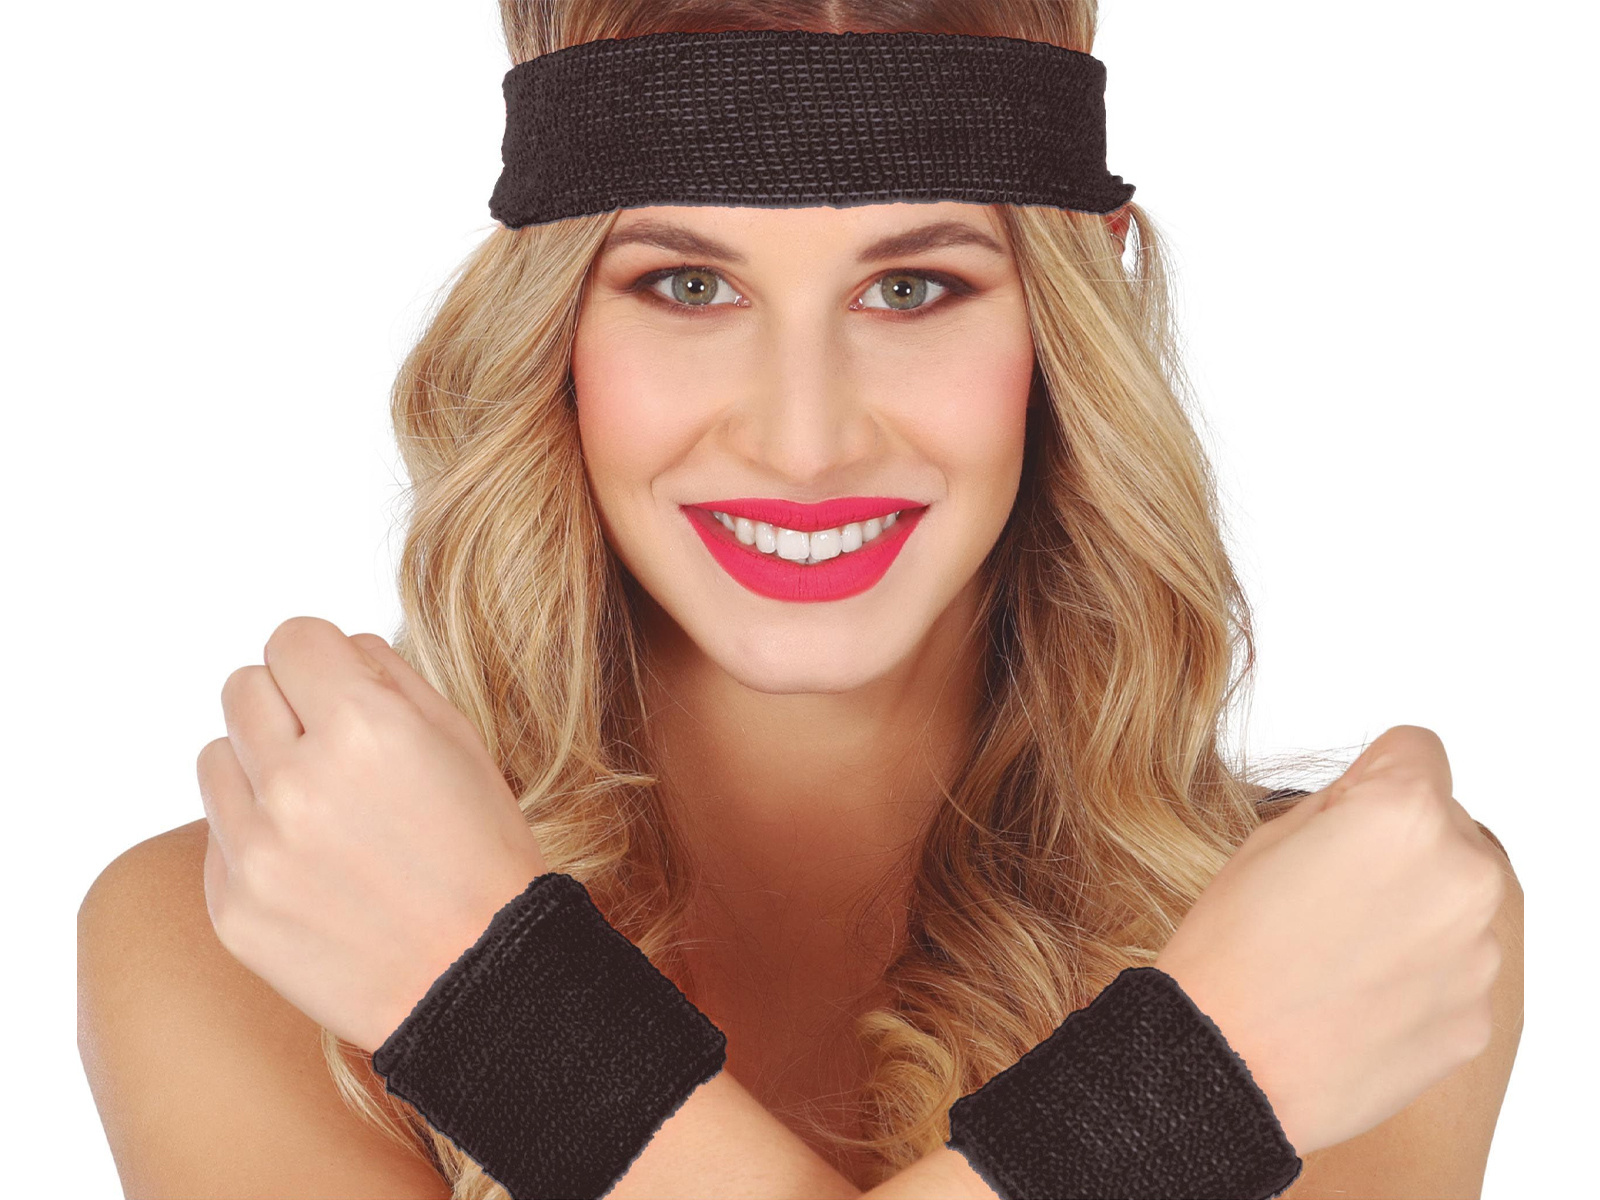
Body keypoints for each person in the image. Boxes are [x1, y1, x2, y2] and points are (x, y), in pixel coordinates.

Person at [77, 2, 1522, 1198]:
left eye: (913, 290)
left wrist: (491, 1009)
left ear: (1073, 310)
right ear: (551, 326)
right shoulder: (239, 939)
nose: (805, 439)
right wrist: (1187, 1099)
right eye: (687, 286)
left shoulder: (1360, 937)